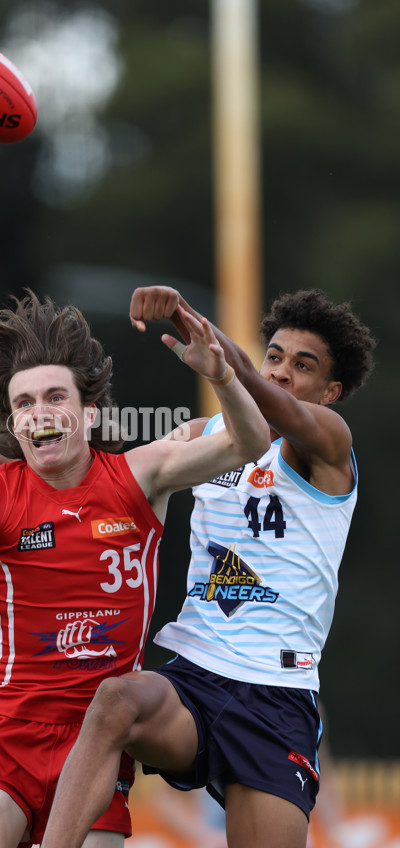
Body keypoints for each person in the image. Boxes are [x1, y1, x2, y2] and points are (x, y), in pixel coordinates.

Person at [0, 291, 270, 848]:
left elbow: (251, 442)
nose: (39, 412)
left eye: (55, 396)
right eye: (25, 402)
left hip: (98, 742)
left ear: (89, 411)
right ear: (14, 422)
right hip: (6, 736)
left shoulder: (142, 475)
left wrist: (223, 376)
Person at [38, 287, 376, 848]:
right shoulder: (202, 438)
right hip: (196, 678)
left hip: (277, 697)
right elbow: (95, 490)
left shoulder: (329, 445)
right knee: (115, 700)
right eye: (274, 356)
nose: (283, 372)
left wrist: (188, 323)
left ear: (331, 391)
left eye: (303, 365)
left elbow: (266, 400)